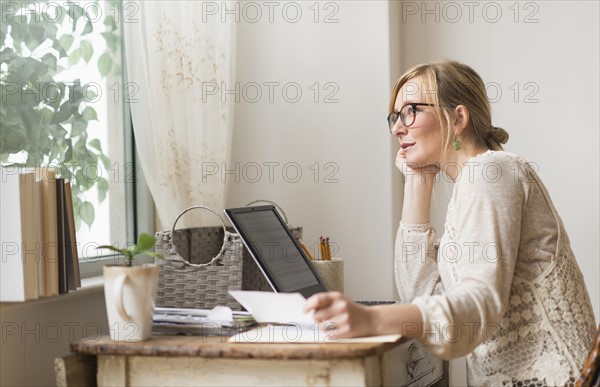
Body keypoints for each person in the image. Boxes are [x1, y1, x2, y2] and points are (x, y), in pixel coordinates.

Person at [304, 60, 597, 385]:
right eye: (395, 116)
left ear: (458, 117)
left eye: (411, 111)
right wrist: (418, 181)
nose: (397, 128)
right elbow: (423, 294)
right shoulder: (475, 182)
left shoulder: (492, 172)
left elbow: (478, 304)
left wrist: (374, 319)